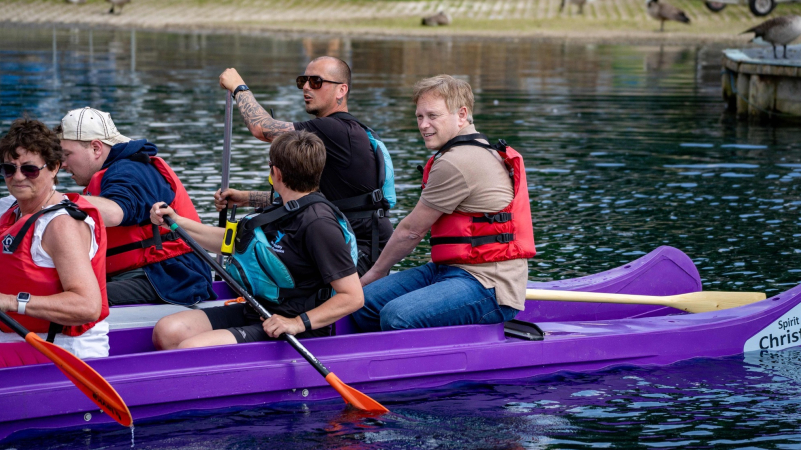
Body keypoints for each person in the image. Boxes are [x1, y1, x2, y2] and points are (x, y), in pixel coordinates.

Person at [352, 75, 536, 332]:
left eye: (433, 116)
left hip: (488, 285)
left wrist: (374, 274)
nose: (424, 125)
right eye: (419, 117)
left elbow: (411, 231)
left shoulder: (456, 161)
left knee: (397, 316)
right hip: (447, 269)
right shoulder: (473, 150)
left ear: (461, 115)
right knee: (363, 303)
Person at [151, 130, 363, 350]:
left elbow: (353, 296)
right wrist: (176, 222)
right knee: (167, 331)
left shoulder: (319, 224)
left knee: (190, 349)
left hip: (293, 327)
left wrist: (297, 323)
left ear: (276, 173)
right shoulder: (279, 206)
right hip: (258, 309)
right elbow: (232, 243)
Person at [215, 56, 395, 276]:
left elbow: (262, 128)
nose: (307, 87)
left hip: (360, 252)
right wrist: (246, 198)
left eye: (316, 82)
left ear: (342, 90)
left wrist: (238, 87)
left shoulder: (337, 129)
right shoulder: (333, 134)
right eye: (303, 81)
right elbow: (306, 200)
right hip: (342, 241)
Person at [57, 107, 214, 307]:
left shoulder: (128, 171)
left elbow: (114, 213)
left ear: (96, 148)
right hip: (145, 274)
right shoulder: (118, 170)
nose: (62, 164)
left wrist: (50, 200)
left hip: (171, 277)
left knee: (74, 300)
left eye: (67, 154)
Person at [0, 118, 109, 362]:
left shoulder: (61, 225)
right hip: (15, 340)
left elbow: (87, 306)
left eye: (29, 169)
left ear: (54, 167)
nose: (17, 177)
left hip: (64, 350)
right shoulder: (6, 209)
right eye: (8, 168)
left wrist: (9, 302)